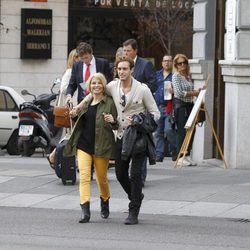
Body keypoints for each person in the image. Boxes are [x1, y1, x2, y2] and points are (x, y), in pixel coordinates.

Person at [74, 56, 160, 225]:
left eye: (125, 69)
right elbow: (94, 92)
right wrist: (80, 106)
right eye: (119, 69)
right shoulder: (112, 86)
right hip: (120, 135)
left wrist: (138, 119)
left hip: (138, 137)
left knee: (135, 175)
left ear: (132, 70)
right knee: (120, 174)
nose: (121, 72)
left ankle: (133, 210)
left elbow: (156, 114)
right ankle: (136, 196)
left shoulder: (142, 90)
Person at [64, 72, 118, 223]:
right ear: (89, 86)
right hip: (84, 145)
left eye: (99, 83)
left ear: (103, 85)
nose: (96, 86)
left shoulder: (109, 102)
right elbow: (81, 122)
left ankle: (105, 199)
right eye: (93, 83)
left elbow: (117, 124)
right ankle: (85, 210)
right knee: (84, 177)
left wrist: (113, 121)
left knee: (102, 179)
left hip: (101, 146)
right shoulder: (85, 103)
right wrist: (74, 114)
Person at [123, 38, 157, 186]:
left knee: (139, 144)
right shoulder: (121, 66)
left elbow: (153, 84)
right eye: (124, 51)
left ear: (135, 51)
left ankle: (139, 177)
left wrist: (139, 88)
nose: (126, 53)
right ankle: (129, 174)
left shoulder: (145, 65)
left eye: (128, 50)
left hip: (140, 112)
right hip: (125, 112)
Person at [46, 49, 79, 168]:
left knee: (73, 134)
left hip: (75, 107)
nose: (78, 60)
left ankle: (56, 156)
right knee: (72, 134)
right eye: (76, 57)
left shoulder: (75, 71)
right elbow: (64, 88)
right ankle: (54, 155)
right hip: (70, 108)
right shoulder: (70, 71)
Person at [172, 54, 201, 166]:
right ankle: (180, 156)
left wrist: (197, 90)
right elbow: (179, 93)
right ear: (176, 65)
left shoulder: (188, 76)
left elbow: (189, 91)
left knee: (192, 131)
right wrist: (194, 93)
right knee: (181, 131)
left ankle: (187, 154)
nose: (182, 65)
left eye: (184, 62)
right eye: (180, 63)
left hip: (190, 105)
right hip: (181, 106)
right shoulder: (176, 76)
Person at [154, 55, 177, 162]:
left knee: (168, 130)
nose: (167, 63)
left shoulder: (175, 76)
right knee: (158, 132)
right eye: (165, 61)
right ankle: (159, 154)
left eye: (169, 61)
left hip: (169, 107)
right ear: (162, 63)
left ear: (172, 63)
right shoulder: (156, 75)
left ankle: (174, 150)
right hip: (157, 106)